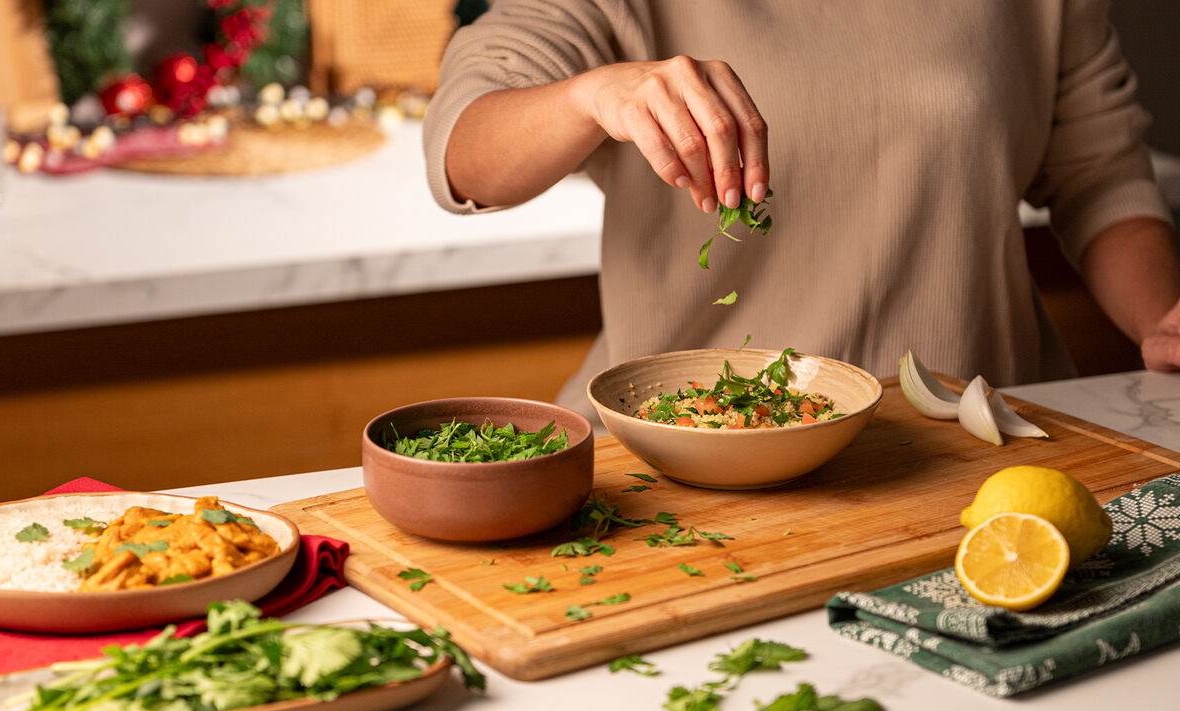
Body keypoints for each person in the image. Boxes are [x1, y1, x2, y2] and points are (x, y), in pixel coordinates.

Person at [422, 0, 1180, 421]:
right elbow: (465, 153)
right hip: (690, 458)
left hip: (980, 447)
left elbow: (1101, 173)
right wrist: (592, 94)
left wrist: (1162, 322)